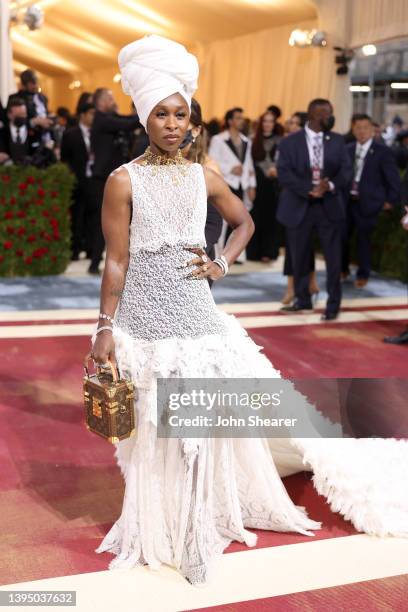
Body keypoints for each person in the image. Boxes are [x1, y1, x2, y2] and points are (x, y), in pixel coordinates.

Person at [90, 35, 408, 587]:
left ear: (190, 119)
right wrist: (104, 327)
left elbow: (246, 221)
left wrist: (222, 263)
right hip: (142, 321)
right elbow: (115, 263)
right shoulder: (123, 181)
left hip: (197, 318)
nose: (171, 123)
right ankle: (160, 523)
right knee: (154, 432)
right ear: (144, 117)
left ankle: (195, 531)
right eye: (161, 114)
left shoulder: (203, 175)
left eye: (180, 113)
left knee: (198, 428)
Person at [277, 98, 352, 320]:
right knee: (299, 255)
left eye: (330, 112)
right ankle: (303, 299)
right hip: (300, 204)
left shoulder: (338, 141)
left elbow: (346, 171)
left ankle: (333, 305)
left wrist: (327, 185)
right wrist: (309, 188)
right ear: (311, 115)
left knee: (333, 258)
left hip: (329, 205)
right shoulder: (290, 142)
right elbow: (284, 173)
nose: (328, 117)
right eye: (323, 113)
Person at [342, 114, 401, 287]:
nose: (361, 131)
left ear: (372, 130)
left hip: (369, 203)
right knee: (341, 237)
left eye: (365, 128)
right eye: (358, 128)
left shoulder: (383, 151)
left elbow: (393, 179)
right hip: (346, 202)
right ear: (353, 130)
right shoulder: (347, 149)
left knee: (363, 240)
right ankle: (342, 270)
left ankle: (363, 274)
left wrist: (390, 200)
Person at [89, 87, 140, 274]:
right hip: (103, 178)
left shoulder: (108, 119)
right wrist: (144, 112)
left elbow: (125, 121)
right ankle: (95, 262)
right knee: (104, 222)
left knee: (117, 221)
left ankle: (101, 262)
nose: (113, 101)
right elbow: (127, 124)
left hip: (111, 176)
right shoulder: (102, 120)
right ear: (101, 102)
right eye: (110, 98)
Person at [180, 98, 223, 286]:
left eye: (181, 119)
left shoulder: (207, 169)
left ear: (196, 130)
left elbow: (215, 221)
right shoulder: (147, 165)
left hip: (197, 257)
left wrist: (222, 264)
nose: (172, 126)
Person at [280, 111, 319, 304]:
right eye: (291, 122)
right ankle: (292, 288)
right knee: (293, 249)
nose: (292, 126)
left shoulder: (314, 143)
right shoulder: (287, 143)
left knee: (307, 248)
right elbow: (284, 174)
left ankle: (309, 283)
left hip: (313, 202)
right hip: (292, 203)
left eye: (296, 123)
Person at [208, 106, 256, 256]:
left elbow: (249, 164)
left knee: (241, 220)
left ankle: (237, 255)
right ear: (230, 121)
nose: (241, 121)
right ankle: (217, 253)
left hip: (241, 184)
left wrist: (251, 185)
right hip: (225, 182)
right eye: (238, 118)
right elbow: (211, 160)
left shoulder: (246, 140)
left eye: (242, 118)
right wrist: (230, 168)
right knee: (221, 221)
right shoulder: (218, 139)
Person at [61, 102, 96, 261]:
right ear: (82, 115)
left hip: (94, 180)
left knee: (93, 217)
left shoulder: (97, 133)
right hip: (77, 180)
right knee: (77, 216)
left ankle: (90, 249)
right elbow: (64, 159)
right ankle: (75, 250)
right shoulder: (70, 134)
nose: (93, 117)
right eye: (91, 114)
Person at [246, 110, 282, 262]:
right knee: (255, 217)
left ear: (274, 124)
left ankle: (269, 252)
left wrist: (277, 169)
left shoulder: (281, 141)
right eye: (265, 121)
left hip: (273, 184)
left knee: (271, 219)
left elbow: (283, 161)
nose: (268, 124)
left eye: (271, 121)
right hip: (257, 183)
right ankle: (254, 253)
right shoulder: (252, 140)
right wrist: (250, 185)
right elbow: (248, 164)